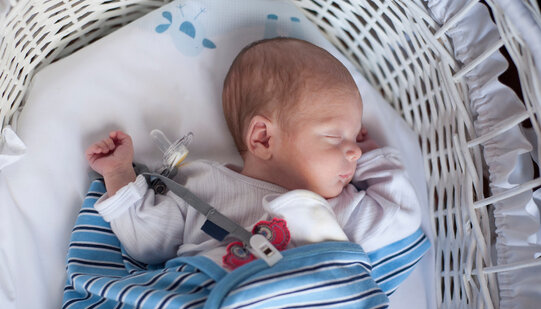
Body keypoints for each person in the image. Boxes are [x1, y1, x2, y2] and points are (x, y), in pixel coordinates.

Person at [86, 38, 421, 270]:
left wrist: (373, 156)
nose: (353, 150)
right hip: (208, 305)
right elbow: (148, 242)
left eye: (355, 138)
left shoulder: (336, 209)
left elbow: (400, 215)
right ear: (263, 138)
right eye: (335, 136)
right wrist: (118, 175)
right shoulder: (203, 185)